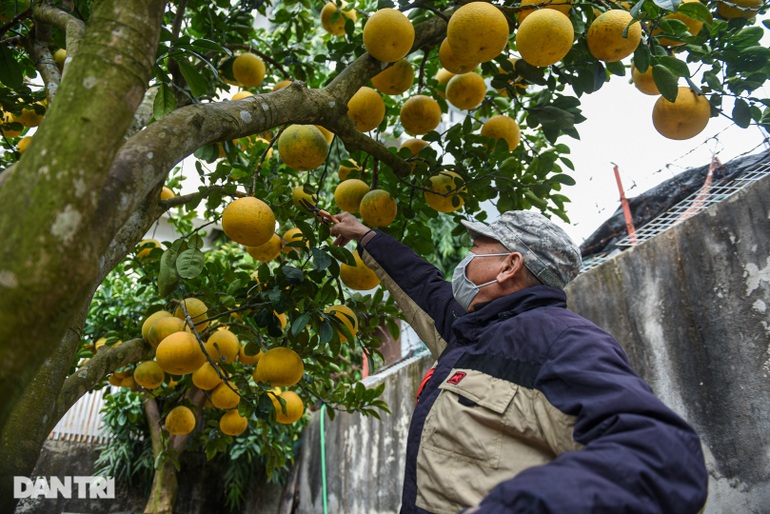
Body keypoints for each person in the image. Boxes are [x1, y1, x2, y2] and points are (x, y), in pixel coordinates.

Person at [321, 208, 708, 514]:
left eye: (477, 248)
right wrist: (364, 235)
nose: (466, 258)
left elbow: (662, 457)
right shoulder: (470, 330)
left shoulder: (563, 339)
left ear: (509, 265)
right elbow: (423, 283)